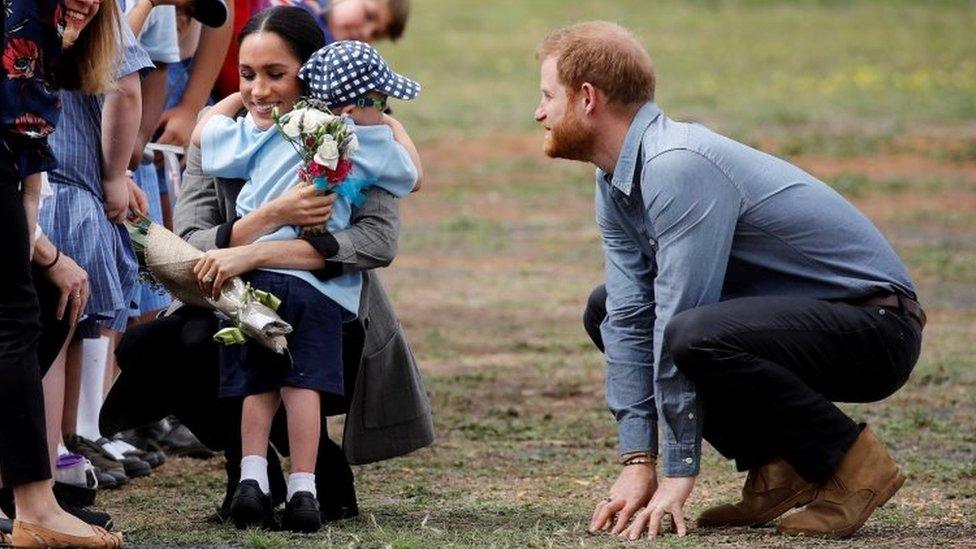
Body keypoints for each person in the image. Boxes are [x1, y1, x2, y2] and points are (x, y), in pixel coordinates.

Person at [534, 21, 924, 540]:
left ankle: (853, 466)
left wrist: (677, 475)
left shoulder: (676, 165)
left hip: (876, 327)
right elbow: (629, 315)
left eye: (546, 96)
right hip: (804, 323)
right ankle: (778, 468)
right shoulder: (615, 180)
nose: (539, 112)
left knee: (691, 334)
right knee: (607, 309)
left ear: (587, 99)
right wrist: (638, 459)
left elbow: (679, 318)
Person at [104, 4, 433, 530]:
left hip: (335, 315)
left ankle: (313, 468)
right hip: (229, 298)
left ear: (312, 74)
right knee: (170, 345)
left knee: (287, 349)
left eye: (276, 75)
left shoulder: (350, 135)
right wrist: (269, 218)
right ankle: (250, 473)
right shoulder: (237, 136)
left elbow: (375, 241)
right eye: (248, 74)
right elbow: (190, 241)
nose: (259, 90)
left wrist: (256, 253)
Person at [191, 34, 421, 532]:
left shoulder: (280, 127)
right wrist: (394, 128)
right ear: (354, 104)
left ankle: (251, 482)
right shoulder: (371, 140)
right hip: (317, 286)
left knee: (257, 380)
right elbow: (411, 176)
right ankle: (303, 491)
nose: (384, 109)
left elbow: (204, 140)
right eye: (379, 100)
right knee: (303, 385)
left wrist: (229, 99)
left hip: (254, 278)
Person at [0, 0, 124, 546]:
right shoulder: (27, 12)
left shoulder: (55, 31)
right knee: (14, 321)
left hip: (10, 170)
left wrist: (41, 250)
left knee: (43, 308)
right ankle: (34, 506)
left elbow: (29, 153)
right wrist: (41, 251)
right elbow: (22, 127)